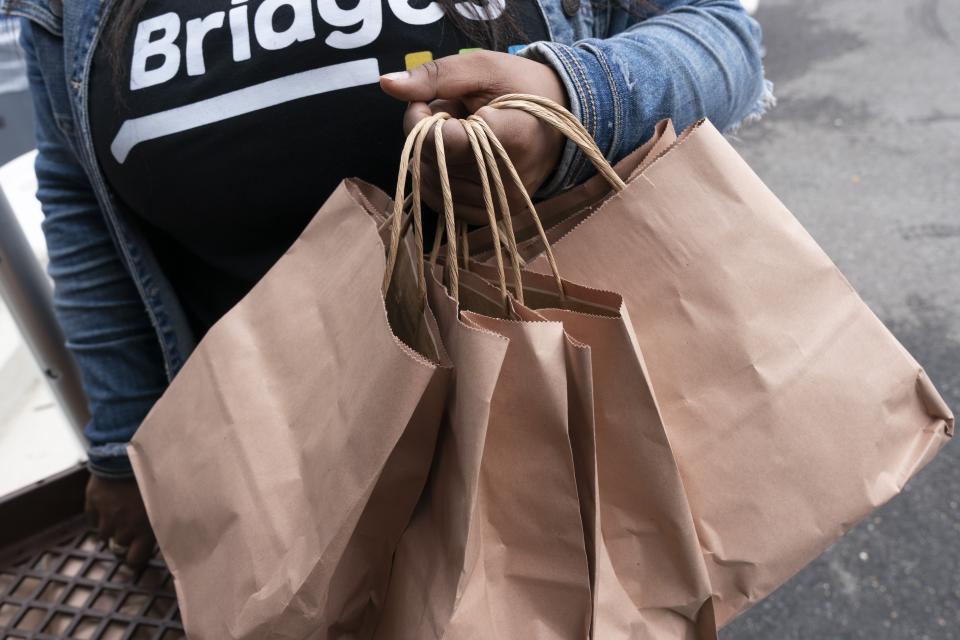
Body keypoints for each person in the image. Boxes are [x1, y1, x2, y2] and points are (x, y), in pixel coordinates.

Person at [9, 0, 771, 568]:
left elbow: (722, 41)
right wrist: (121, 448)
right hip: (273, 474)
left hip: (563, 439)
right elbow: (81, 198)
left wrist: (572, 100)